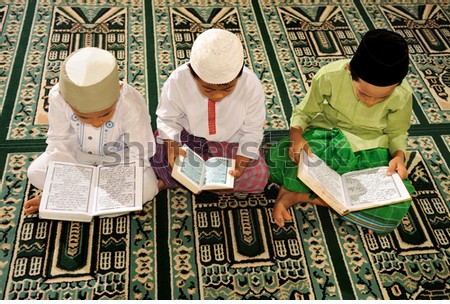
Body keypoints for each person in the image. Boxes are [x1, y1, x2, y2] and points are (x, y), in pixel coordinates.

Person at [267, 29, 415, 235]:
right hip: (328, 135)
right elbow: (304, 111)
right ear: (349, 71)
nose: (370, 101)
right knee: (280, 159)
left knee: (397, 204)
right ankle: (360, 211)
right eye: (363, 93)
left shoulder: (403, 93)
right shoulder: (330, 76)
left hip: (371, 147)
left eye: (381, 98)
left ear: (397, 85)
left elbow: (398, 132)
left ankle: (297, 195)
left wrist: (398, 157)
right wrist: (296, 136)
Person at [24, 47, 161, 214]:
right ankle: (108, 203)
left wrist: (123, 182)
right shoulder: (58, 97)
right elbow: (60, 142)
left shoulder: (130, 102)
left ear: (117, 92)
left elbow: (139, 150)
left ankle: (82, 200)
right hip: (79, 155)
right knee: (35, 173)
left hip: (119, 159)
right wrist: (57, 188)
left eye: (105, 114)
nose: (96, 123)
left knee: (146, 187)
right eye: (84, 117)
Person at [150, 28, 269, 196]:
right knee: (154, 151)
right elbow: (167, 119)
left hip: (231, 143)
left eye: (227, 88)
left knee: (258, 174)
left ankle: (179, 180)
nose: (218, 96)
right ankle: (202, 182)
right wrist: (172, 145)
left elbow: (253, 129)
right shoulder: (178, 80)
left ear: (239, 74)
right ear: (193, 73)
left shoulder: (250, 85)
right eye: (208, 89)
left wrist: (240, 163)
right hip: (189, 139)